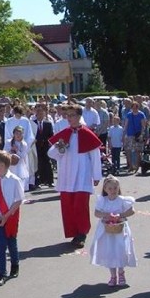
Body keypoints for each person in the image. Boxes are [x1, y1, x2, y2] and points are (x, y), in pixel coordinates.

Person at [48, 104, 103, 248]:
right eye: (68, 116)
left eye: (72, 115)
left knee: (80, 205)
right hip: (66, 174)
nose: (69, 118)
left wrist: (96, 175)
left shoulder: (87, 133)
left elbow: (95, 155)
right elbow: (51, 154)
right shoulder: (64, 133)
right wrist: (60, 148)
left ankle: (82, 233)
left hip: (82, 175)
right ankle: (74, 232)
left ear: (79, 116)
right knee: (68, 205)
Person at [89, 176, 137, 287]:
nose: (113, 190)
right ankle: (112, 275)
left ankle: (121, 272)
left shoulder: (122, 200)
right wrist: (106, 215)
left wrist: (120, 215)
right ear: (105, 189)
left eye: (115, 188)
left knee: (120, 250)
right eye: (110, 188)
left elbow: (131, 211)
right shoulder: (103, 200)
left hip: (119, 229)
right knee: (109, 251)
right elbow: (96, 213)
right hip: (106, 230)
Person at [0, 151, 24, 287]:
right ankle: (2, 273)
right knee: (0, 246)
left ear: (2, 165)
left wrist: (6, 215)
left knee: (11, 243)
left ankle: (15, 265)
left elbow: (19, 199)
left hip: (11, 217)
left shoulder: (14, 180)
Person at [32, 105, 54, 188]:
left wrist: (49, 142)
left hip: (45, 147)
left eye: (42, 113)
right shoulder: (32, 123)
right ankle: (38, 182)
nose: (40, 115)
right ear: (36, 114)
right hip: (36, 146)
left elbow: (51, 135)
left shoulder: (48, 124)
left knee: (47, 163)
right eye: (38, 113)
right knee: (37, 164)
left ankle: (49, 181)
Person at [122, 102, 147, 173]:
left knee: (137, 151)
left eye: (136, 108)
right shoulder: (129, 115)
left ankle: (137, 166)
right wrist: (124, 135)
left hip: (138, 134)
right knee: (128, 150)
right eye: (133, 108)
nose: (134, 109)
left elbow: (143, 125)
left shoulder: (141, 114)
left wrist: (142, 134)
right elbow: (126, 125)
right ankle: (130, 166)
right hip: (130, 134)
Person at [7, 125, 30, 190]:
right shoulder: (8, 142)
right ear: (13, 134)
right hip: (11, 165)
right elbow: (5, 152)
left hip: (20, 165)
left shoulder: (24, 144)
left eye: (20, 134)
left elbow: (23, 156)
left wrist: (17, 150)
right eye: (16, 133)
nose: (18, 135)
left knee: (20, 183)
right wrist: (10, 151)